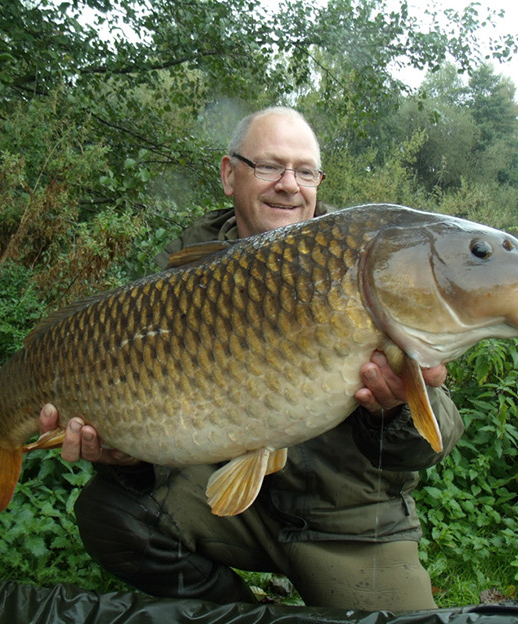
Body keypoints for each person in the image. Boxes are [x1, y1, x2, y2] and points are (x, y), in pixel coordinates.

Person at [39, 107, 464, 612]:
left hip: (349, 523)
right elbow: (156, 425)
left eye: (305, 171)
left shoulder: (364, 263)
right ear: (228, 174)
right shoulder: (178, 279)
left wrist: (393, 411)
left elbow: (432, 443)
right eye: (269, 166)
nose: (289, 184)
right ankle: (237, 612)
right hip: (230, 507)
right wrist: (126, 456)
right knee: (114, 514)